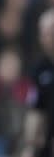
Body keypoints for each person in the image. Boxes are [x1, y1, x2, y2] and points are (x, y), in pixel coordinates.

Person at [19, 8, 54, 157]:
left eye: (50, 32)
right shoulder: (39, 69)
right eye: (43, 33)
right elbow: (35, 108)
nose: (46, 38)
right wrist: (29, 145)